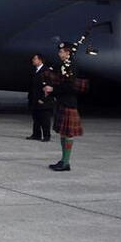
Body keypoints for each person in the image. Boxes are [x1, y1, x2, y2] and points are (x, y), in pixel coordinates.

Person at [44, 42, 87, 172]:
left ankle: (66, 162)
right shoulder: (63, 65)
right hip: (62, 102)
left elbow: (69, 86)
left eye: (61, 52)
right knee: (63, 133)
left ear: (68, 53)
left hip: (69, 103)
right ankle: (63, 160)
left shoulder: (71, 66)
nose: (59, 54)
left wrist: (53, 89)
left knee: (68, 133)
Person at [26, 54, 54, 142]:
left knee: (45, 119)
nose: (33, 60)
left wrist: (43, 99)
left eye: (35, 59)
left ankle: (46, 136)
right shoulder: (34, 71)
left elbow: (49, 86)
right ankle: (36, 134)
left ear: (40, 60)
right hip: (34, 99)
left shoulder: (46, 71)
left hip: (43, 100)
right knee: (36, 118)